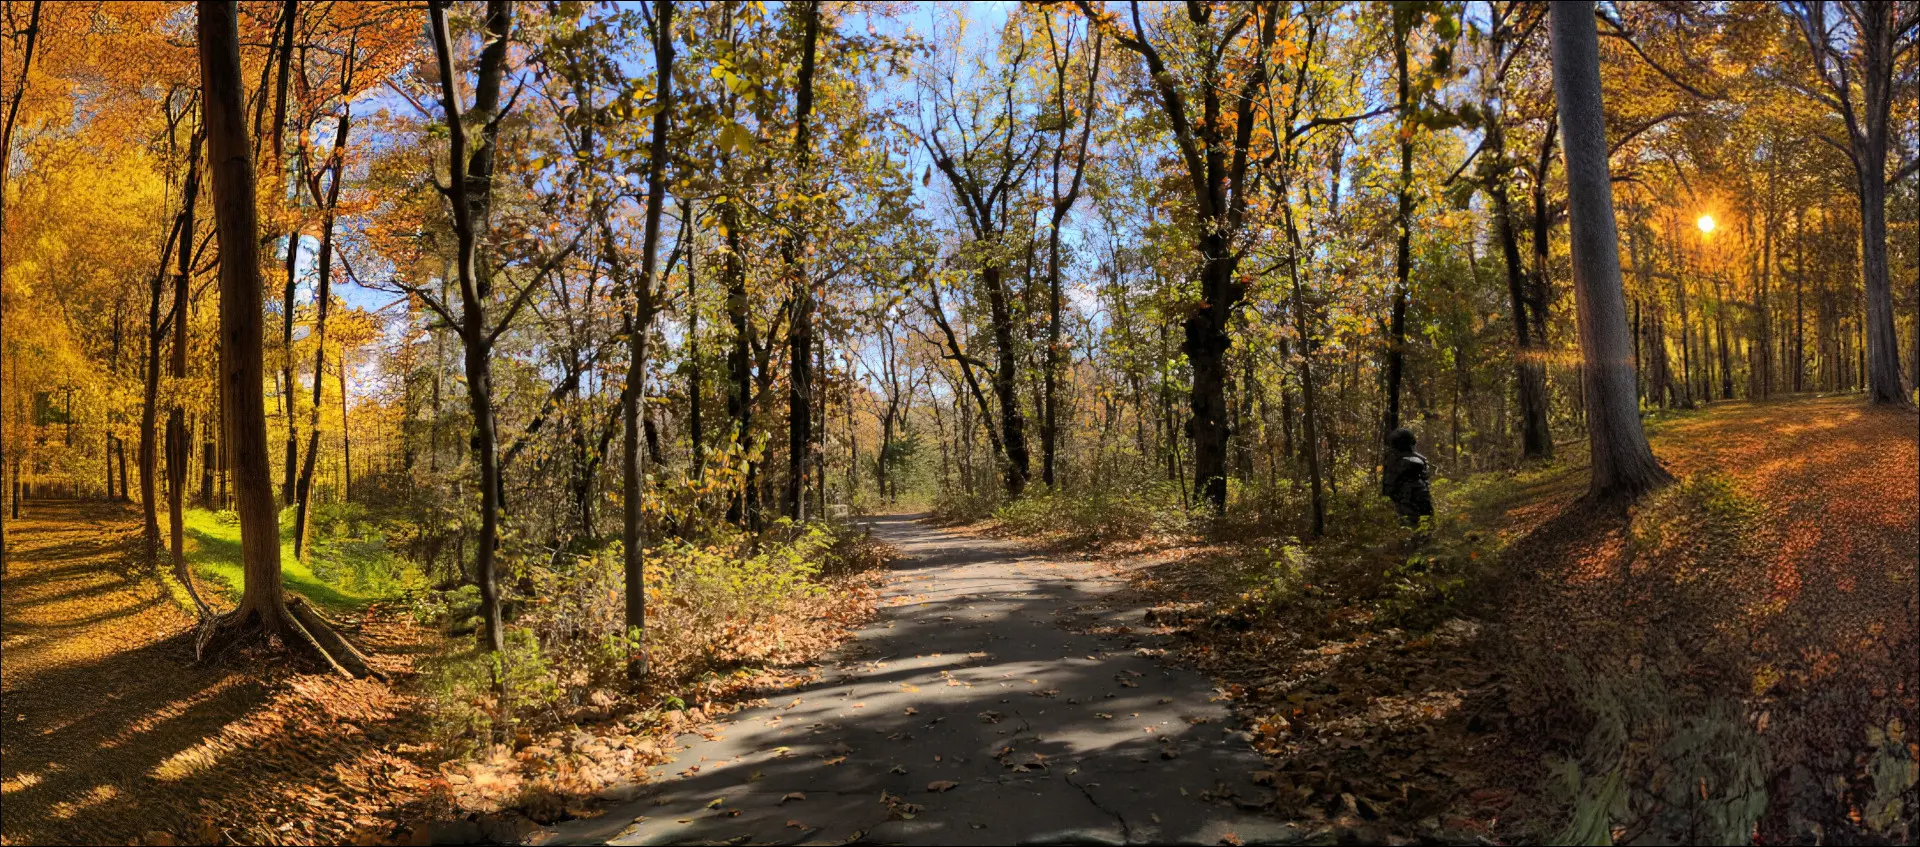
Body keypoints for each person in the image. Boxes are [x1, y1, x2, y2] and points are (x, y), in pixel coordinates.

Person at [1380, 427, 1433, 528]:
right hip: (1422, 501)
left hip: (1408, 504)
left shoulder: (1396, 461)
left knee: (1409, 529)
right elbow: (1426, 481)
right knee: (1425, 528)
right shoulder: (1421, 459)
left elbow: (1389, 488)